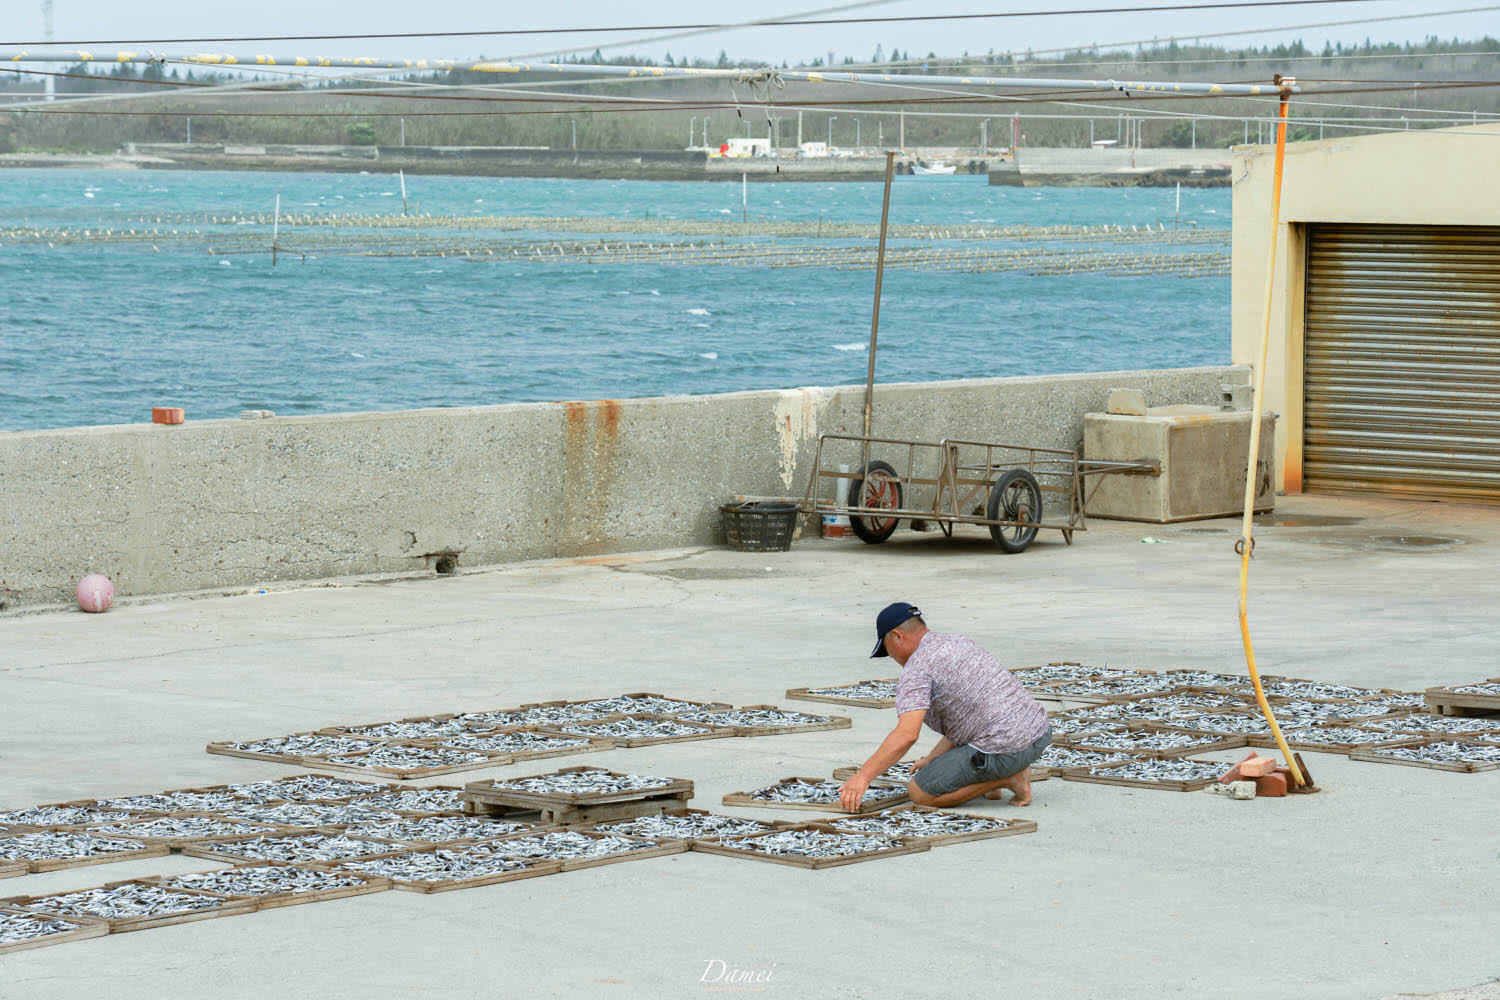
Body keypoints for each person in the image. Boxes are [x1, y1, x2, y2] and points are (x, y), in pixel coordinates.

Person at [838, 602, 1052, 813]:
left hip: (1006, 747)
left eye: (887, 650)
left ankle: (1009, 778)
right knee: (944, 768)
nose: (892, 657)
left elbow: (907, 734)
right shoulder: (955, 641)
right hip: (1039, 734)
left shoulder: (916, 669)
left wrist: (863, 777)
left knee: (921, 793)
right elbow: (967, 715)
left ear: (897, 636)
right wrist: (932, 758)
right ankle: (998, 774)